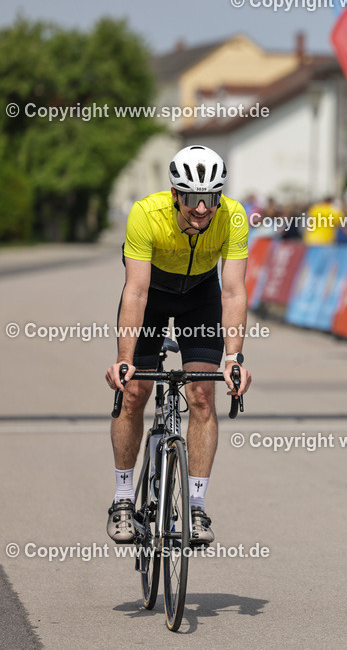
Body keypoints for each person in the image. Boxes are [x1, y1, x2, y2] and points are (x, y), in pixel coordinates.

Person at [104, 145, 254, 546]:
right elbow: (134, 292)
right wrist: (123, 359)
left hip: (200, 295)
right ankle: (122, 501)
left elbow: (234, 291)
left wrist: (235, 358)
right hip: (151, 294)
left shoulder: (234, 216)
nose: (202, 208)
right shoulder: (145, 214)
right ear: (175, 196)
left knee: (203, 396)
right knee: (134, 391)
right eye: (192, 198)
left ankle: (197, 507)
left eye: (211, 198)